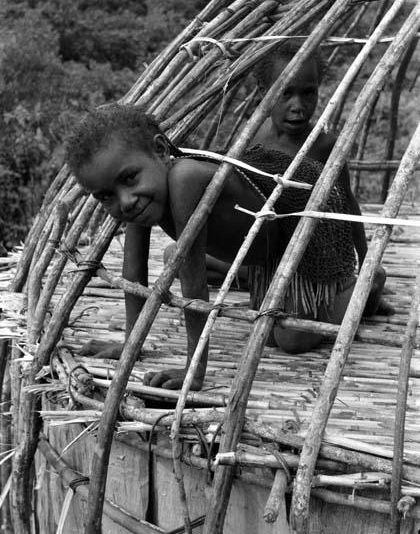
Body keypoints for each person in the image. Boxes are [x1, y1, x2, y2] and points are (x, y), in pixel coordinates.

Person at [66, 102, 362, 391]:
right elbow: (134, 273)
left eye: (130, 179)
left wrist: (193, 372)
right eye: (106, 196)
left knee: (290, 339)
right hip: (257, 255)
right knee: (177, 259)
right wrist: (130, 344)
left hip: (301, 243)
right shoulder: (140, 198)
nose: (125, 200)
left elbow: (194, 287)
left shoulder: (185, 178)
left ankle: (366, 286)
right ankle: (257, 281)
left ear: (160, 150)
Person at [252, 42, 392, 316]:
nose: (298, 106)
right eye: (286, 93)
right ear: (263, 92)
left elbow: (348, 204)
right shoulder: (253, 138)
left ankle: (369, 290)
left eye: (308, 93)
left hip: (316, 259)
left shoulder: (324, 145)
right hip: (268, 256)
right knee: (176, 253)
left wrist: (366, 262)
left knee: (294, 339)